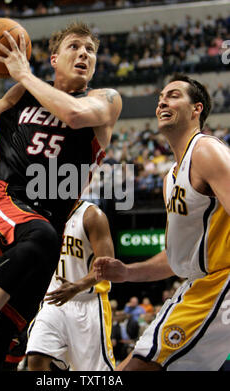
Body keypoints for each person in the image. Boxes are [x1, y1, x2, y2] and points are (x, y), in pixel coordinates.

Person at [0, 22, 122, 371]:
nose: (84, 54)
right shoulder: (21, 94)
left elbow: (75, 115)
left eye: (90, 50)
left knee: (5, 340)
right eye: (75, 47)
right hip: (2, 198)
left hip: (47, 231)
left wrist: (25, 75)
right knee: (38, 235)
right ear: (53, 58)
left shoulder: (104, 99)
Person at [94, 73, 230, 371]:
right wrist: (127, 272)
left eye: (173, 95)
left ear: (196, 110)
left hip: (221, 283)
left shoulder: (206, 150)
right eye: (160, 98)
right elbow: (176, 259)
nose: (162, 102)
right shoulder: (171, 178)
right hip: (196, 285)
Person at [27, 200, 115, 371]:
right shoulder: (41, 216)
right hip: (53, 302)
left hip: (87, 304)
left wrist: (77, 286)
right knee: (36, 359)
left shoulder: (92, 216)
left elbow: (108, 265)